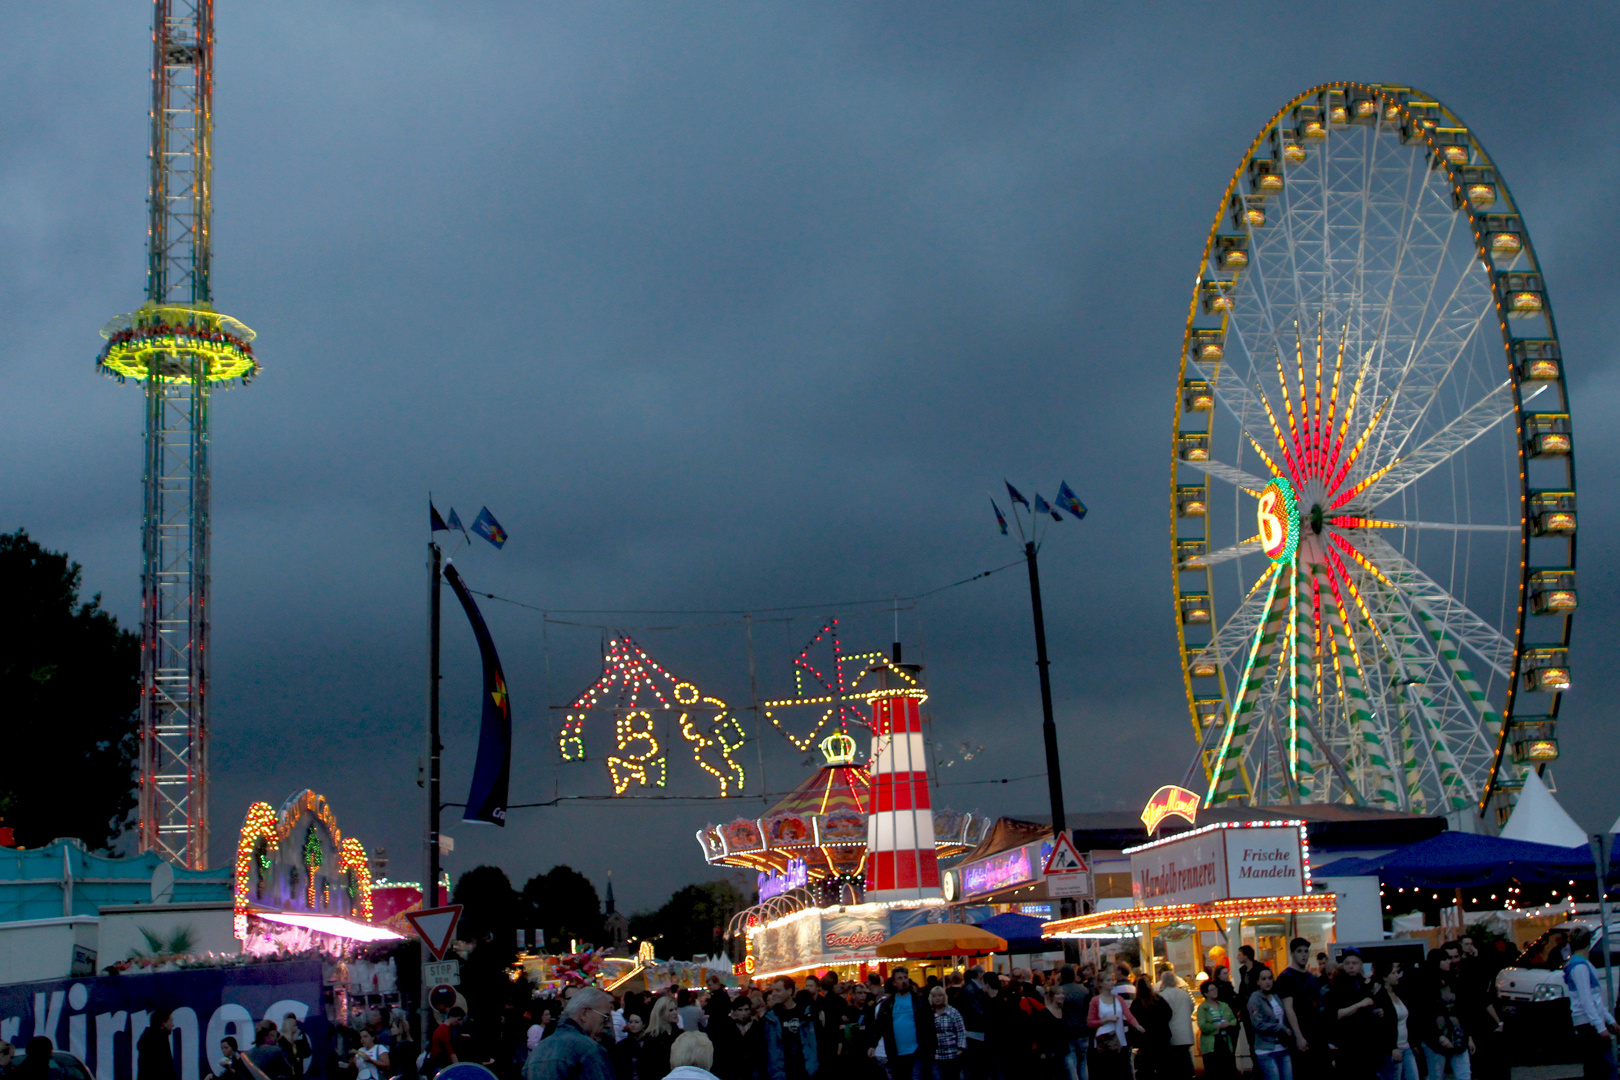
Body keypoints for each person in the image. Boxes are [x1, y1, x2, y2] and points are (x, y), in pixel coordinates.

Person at [524, 988, 619, 1080]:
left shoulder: (538, 1050)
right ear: (584, 1013)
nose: (608, 1024)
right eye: (605, 1017)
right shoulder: (589, 1049)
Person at [1563, 926, 1618, 1080]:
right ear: (1589, 942)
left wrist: (1608, 1020)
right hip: (1589, 1023)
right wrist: (1601, 1025)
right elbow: (1588, 999)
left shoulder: (1578, 965)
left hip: (1588, 1022)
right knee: (1600, 1067)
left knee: (1597, 1067)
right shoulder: (1581, 966)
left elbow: (1592, 998)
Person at [1328, 951, 1384, 1080]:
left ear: (1361, 965)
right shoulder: (1337, 988)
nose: (1351, 966)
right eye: (1347, 963)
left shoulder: (1366, 985)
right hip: (1348, 1047)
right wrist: (1360, 1004)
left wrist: (1377, 1011)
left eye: (1354, 963)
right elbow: (1335, 1014)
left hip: (1366, 1047)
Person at [1273, 938, 1323, 1080]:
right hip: (1300, 1032)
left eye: (1306, 951)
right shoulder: (1286, 977)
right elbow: (1288, 1009)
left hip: (1315, 1033)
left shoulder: (1311, 978)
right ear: (1292, 953)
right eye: (1299, 951)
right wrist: (1299, 1036)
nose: (1303, 955)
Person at [872, 967, 934, 1080]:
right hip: (896, 1053)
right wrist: (872, 1045)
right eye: (900, 978)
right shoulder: (887, 1004)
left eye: (905, 977)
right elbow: (879, 1026)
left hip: (917, 1051)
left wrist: (930, 1049)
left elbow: (929, 1025)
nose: (904, 981)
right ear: (894, 983)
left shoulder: (919, 1000)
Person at [1085, 971, 1141, 1080]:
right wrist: (1105, 1020)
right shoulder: (1096, 1001)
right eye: (1108, 980)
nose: (1111, 983)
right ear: (1101, 984)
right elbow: (1090, 1022)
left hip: (1119, 1041)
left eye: (1112, 980)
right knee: (1108, 1072)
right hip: (1103, 1042)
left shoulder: (1118, 999)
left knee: (1120, 1071)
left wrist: (1137, 1025)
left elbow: (1128, 1015)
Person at [763, 978, 818, 1080]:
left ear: (789, 991)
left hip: (807, 1070)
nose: (773, 994)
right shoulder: (769, 1018)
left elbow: (819, 1042)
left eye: (778, 990)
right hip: (781, 1073)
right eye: (773, 991)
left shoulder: (807, 1013)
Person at [710, 995, 766, 1080]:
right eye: (740, 1010)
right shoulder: (727, 1026)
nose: (743, 1013)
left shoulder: (756, 1026)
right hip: (732, 1070)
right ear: (734, 1011)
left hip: (751, 1070)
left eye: (746, 1010)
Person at [1374, 963, 1414, 1080]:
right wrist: (1392, 1047)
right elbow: (1384, 1027)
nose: (1397, 975)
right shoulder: (1380, 997)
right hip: (1393, 1048)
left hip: (1406, 1046)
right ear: (1385, 977)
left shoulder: (1400, 993)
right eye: (1393, 973)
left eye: (1397, 972)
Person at [1197, 982, 1238, 1080]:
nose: (1215, 991)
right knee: (1213, 1072)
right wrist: (1218, 1027)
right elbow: (1203, 1025)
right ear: (1205, 993)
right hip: (1211, 1044)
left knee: (1228, 1070)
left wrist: (1229, 1024)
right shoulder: (1203, 1008)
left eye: (1215, 989)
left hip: (1225, 1041)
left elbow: (1234, 1019)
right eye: (1212, 990)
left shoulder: (1223, 1005)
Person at [1158, 971, 1195, 1080]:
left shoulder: (1162, 995)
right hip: (1185, 1034)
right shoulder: (1184, 994)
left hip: (1171, 1035)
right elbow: (1191, 1008)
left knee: (1173, 1068)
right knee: (1185, 1063)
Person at [1131, 977, 1170, 1080]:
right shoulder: (1158, 999)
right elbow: (1169, 1013)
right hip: (1162, 1036)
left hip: (1146, 1039)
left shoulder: (1137, 1003)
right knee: (1163, 1066)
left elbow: (1133, 1020)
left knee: (1147, 1068)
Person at [1057, 966, 1091, 1080]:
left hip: (1067, 1032)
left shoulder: (1060, 991)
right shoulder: (1084, 990)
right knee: (1083, 1062)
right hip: (1083, 1030)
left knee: (1071, 1063)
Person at [1030, 990, 1071, 1080]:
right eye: (1058, 994)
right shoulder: (1044, 1012)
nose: (1061, 996)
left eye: (1063, 993)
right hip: (1050, 1051)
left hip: (1063, 1050)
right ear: (1052, 996)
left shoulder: (1064, 1011)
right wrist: (1042, 1051)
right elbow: (1040, 1033)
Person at [931, 985, 968, 1080]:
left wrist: (961, 1048)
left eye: (940, 995)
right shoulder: (929, 1014)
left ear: (944, 997)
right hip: (936, 1055)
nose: (937, 998)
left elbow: (961, 1031)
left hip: (952, 1054)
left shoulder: (953, 1012)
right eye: (934, 996)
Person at [642, 999, 680, 1080]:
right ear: (661, 1013)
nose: (675, 1013)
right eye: (671, 1010)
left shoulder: (680, 1034)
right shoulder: (651, 1037)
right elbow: (646, 1066)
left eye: (676, 1009)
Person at [614, 1013, 658, 1080]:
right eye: (630, 1022)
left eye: (636, 1022)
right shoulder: (621, 1046)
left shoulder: (652, 1044)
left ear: (644, 1024)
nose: (632, 1025)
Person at [139, 1012, 179, 1080]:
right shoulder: (160, 1041)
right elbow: (166, 1070)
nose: (173, 1024)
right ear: (163, 1023)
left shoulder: (148, 1039)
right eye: (171, 1021)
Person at [432, 1009, 466, 1073]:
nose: (459, 1022)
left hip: (438, 1063)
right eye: (458, 1019)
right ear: (451, 1017)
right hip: (440, 1064)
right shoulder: (444, 1031)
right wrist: (459, 1068)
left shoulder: (442, 1029)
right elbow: (451, 1053)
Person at [390, 1013, 421, 1080]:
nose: (391, 1030)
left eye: (393, 1027)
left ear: (400, 1029)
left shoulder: (406, 1046)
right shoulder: (396, 1043)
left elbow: (406, 1066)